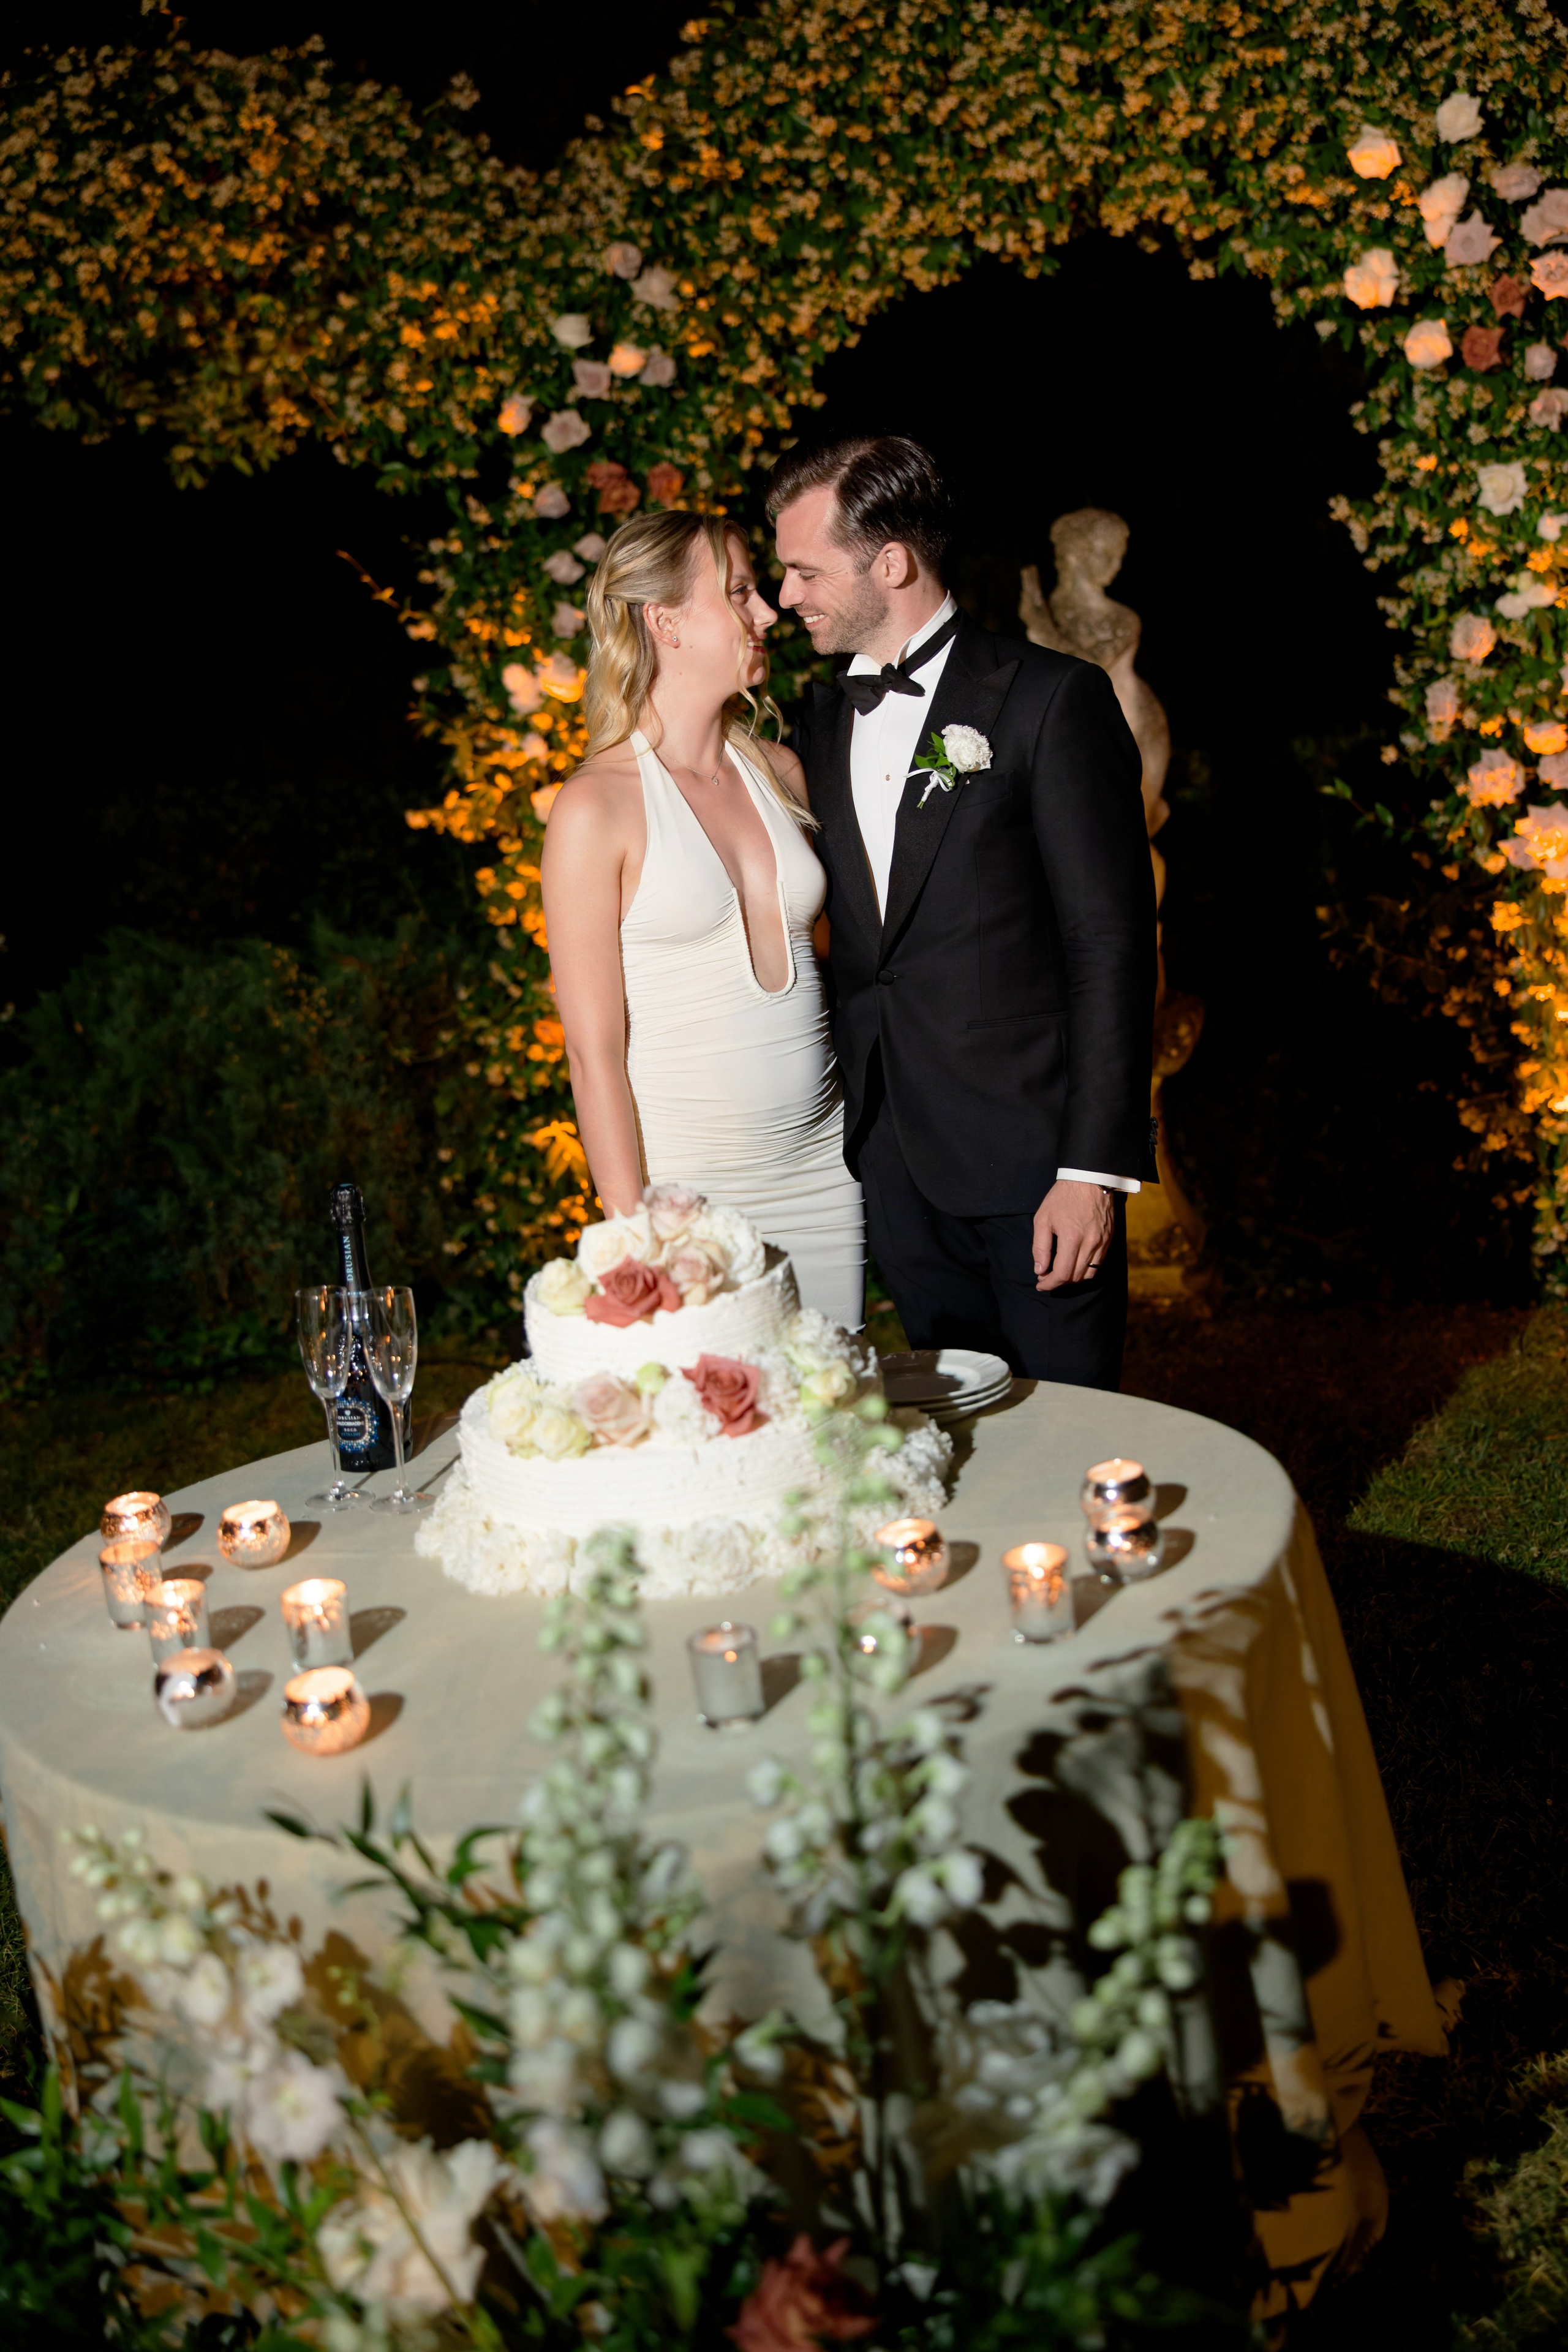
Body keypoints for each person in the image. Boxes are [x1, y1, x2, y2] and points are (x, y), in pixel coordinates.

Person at [767, 434, 1156, 1389]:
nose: (785, 597)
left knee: (1069, 1437)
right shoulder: (815, 720)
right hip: (894, 1162)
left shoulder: (1049, 701)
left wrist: (1091, 1173)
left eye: (804, 571)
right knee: (952, 1442)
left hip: (1034, 1165)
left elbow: (1109, 945)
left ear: (889, 563)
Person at [540, 508, 865, 1326]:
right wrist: (636, 1235)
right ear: (665, 621)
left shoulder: (783, 773)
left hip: (827, 1170)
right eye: (740, 593)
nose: (768, 612)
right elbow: (593, 1052)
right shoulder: (596, 807)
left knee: (834, 1429)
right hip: (690, 1197)